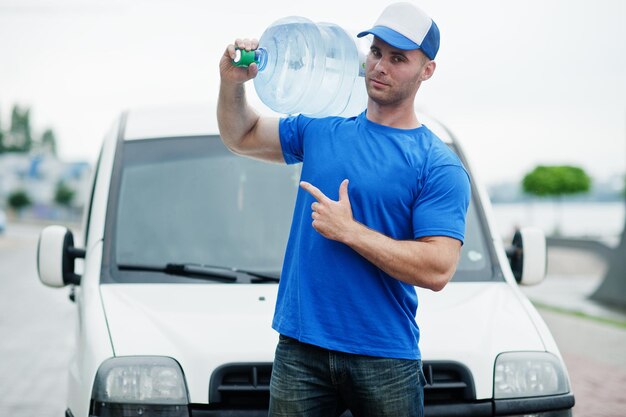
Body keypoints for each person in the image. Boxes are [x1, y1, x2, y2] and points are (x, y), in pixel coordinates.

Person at [217, 2, 471, 416]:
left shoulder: (436, 164)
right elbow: (240, 135)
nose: (380, 66)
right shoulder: (323, 125)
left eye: (398, 58)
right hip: (301, 349)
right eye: (376, 52)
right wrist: (232, 84)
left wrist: (350, 231)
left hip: (384, 356)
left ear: (427, 71)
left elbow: (439, 267)